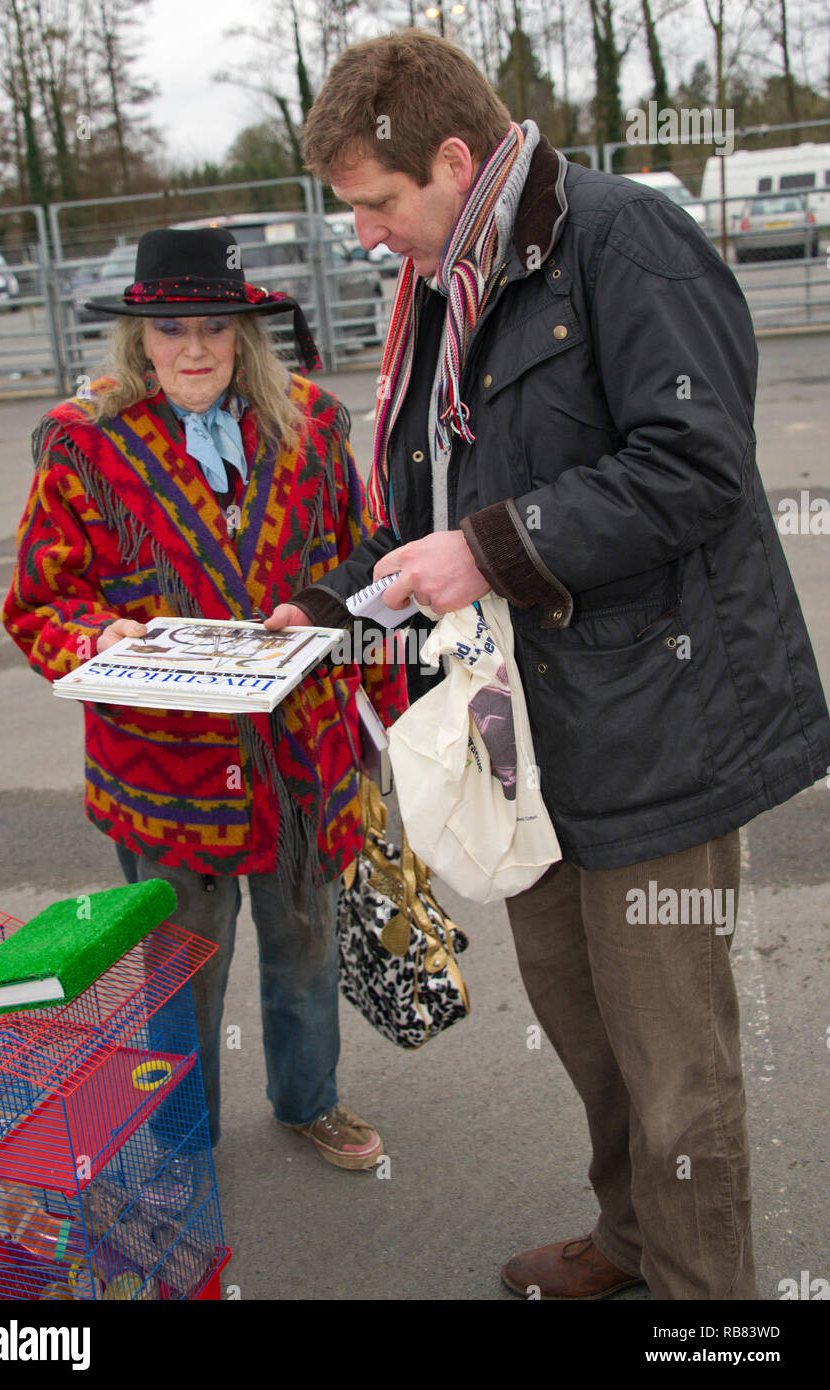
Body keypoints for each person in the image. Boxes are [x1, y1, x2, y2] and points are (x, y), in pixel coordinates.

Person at [266, 31, 830, 1297]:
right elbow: (429, 503)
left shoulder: (625, 240)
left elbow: (698, 468)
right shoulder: (440, 292)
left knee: (677, 1072)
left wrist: (491, 549)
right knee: (584, 1032)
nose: (361, 235)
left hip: (656, 726)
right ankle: (631, 1245)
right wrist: (324, 609)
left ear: (454, 162)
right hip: (521, 735)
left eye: (375, 203)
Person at [3, 227, 406, 1171]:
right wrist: (91, 636)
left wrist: (390, 717)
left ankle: (311, 1101)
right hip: (162, 768)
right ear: (139, 338)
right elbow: (39, 602)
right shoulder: (85, 445)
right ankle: (183, 1135)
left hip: (303, 759)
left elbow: (369, 566)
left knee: (304, 950)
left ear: (245, 335)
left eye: (214, 327)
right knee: (180, 968)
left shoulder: (308, 427)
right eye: (172, 328)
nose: (194, 349)